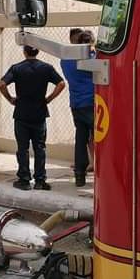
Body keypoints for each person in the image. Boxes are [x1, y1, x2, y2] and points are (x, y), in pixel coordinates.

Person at [0, 46, 66, 191]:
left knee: (23, 148)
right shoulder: (46, 68)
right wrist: (49, 99)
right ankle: (40, 180)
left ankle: (24, 180)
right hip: (40, 113)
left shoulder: (16, 68)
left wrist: (10, 98)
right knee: (40, 148)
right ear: (38, 52)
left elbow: (2, 84)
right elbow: (61, 83)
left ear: (24, 52)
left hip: (21, 113)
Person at [60, 29, 96, 187]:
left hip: (76, 105)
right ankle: (102, 172)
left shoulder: (65, 60)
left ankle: (79, 176)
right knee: (100, 139)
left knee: (80, 140)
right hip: (92, 104)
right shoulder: (91, 59)